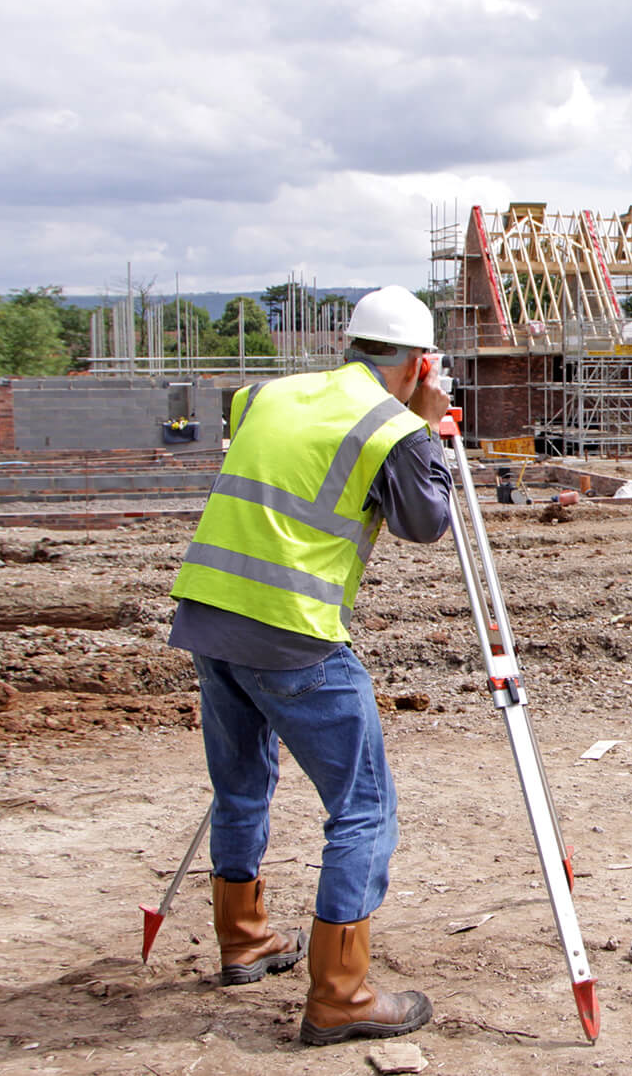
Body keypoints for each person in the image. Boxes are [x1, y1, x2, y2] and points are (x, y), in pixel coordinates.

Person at [167, 284, 451, 1047]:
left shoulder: (263, 395)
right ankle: (340, 994)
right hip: (293, 634)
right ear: (421, 363)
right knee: (363, 812)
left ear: (349, 347)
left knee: (240, 787)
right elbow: (426, 525)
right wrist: (428, 433)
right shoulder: (394, 426)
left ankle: (246, 938)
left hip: (208, 615)